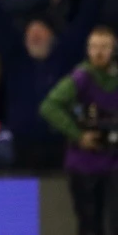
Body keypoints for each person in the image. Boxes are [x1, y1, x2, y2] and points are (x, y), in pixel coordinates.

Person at [39, 26, 118, 235]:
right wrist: (77, 134)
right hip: (84, 162)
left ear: (113, 50)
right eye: (94, 47)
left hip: (113, 160)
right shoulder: (81, 77)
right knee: (89, 223)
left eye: (104, 47)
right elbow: (49, 106)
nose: (99, 52)